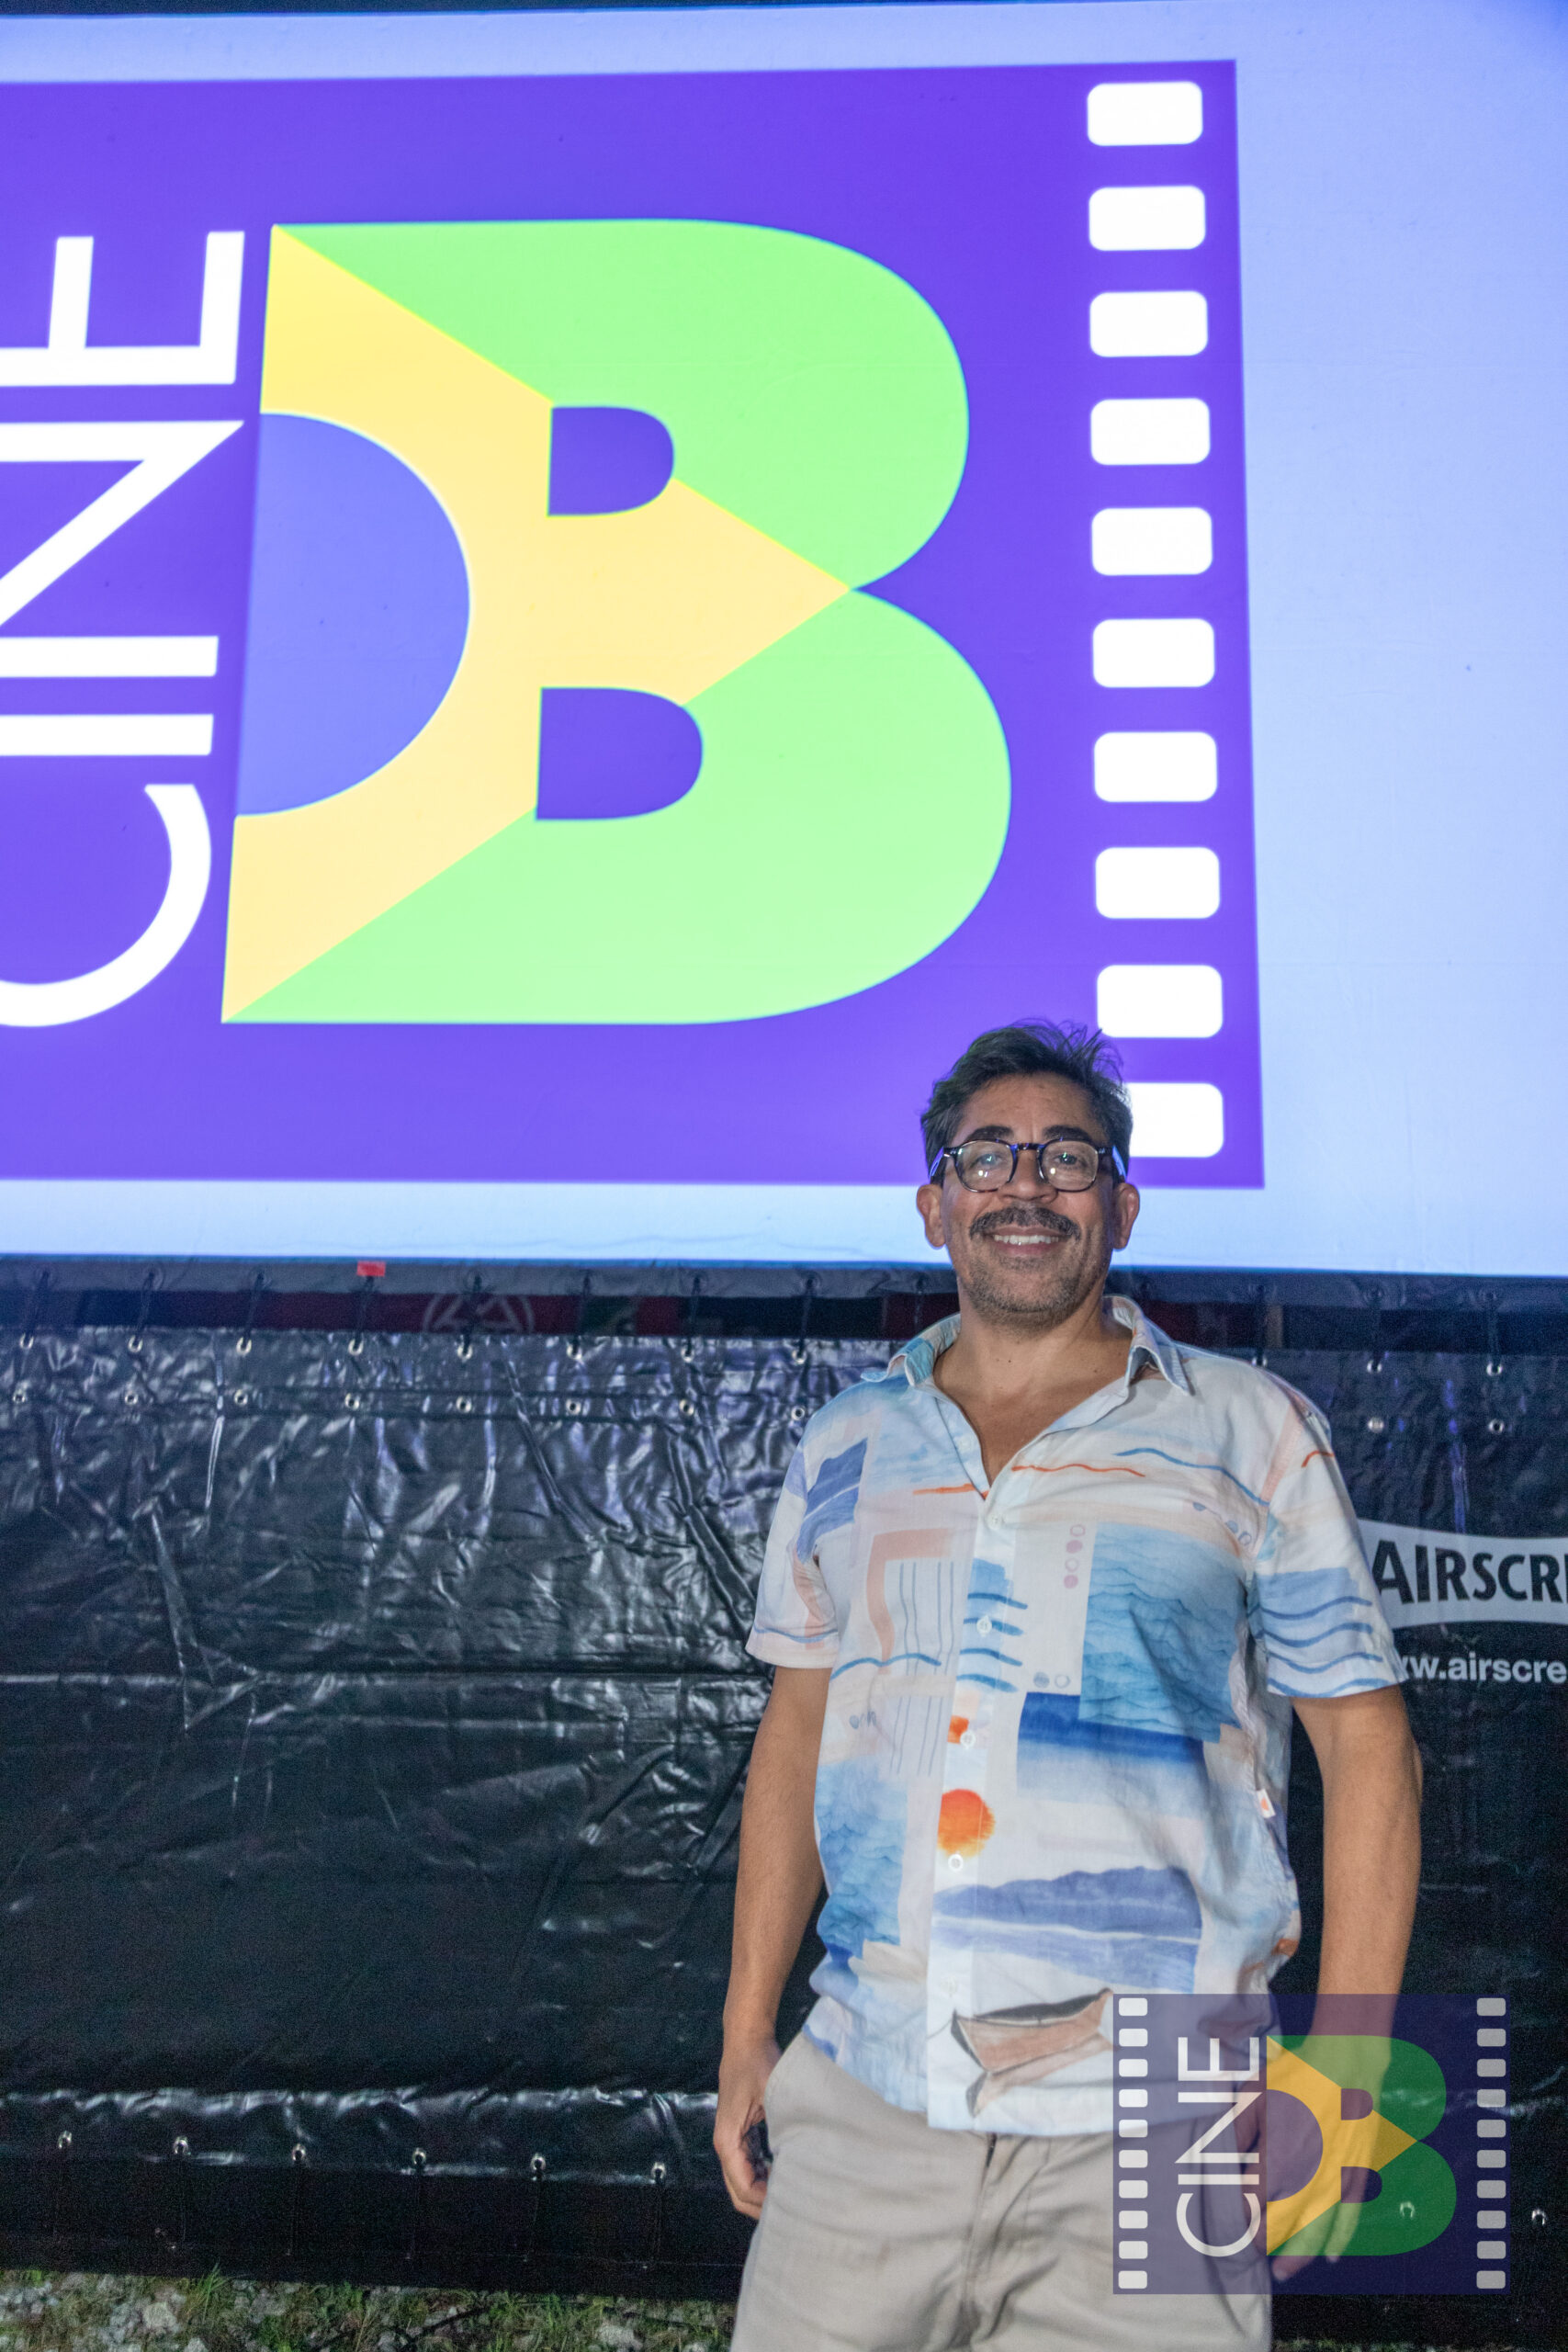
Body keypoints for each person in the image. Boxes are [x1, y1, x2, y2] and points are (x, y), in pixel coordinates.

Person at [714, 1022, 1422, 2351]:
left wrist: (1351, 2069)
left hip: (1167, 2120)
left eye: (1067, 1157)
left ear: (1124, 1206)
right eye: (987, 1156)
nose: (1026, 1184)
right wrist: (748, 2029)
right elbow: (798, 1734)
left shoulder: (1252, 1431)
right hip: (867, 2096)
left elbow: (1372, 1751)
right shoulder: (846, 1443)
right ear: (935, 1205)